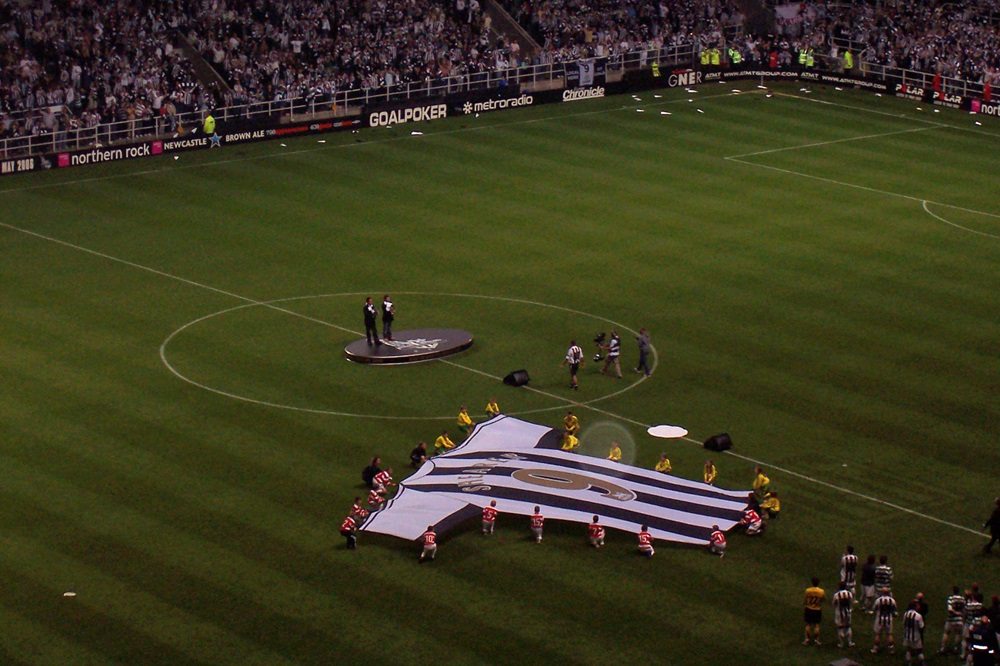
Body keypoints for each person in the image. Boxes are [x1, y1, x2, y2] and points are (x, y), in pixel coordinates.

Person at [940, 585, 967, 655]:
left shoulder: (951, 598)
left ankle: (943, 648)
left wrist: (956, 613)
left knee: (946, 632)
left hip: (951, 619)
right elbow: (964, 610)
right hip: (959, 620)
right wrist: (960, 614)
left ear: (953, 591)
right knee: (958, 633)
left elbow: (950, 609)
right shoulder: (962, 599)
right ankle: (956, 648)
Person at [871, 587, 898, 654]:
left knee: (878, 634)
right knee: (889, 634)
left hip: (879, 619)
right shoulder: (892, 600)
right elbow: (895, 610)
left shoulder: (878, 600)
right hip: (889, 619)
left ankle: (875, 649)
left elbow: (874, 608)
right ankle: (891, 649)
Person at [803, 577, 825, 646]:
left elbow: (805, 599)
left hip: (809, 608)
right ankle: (816, 640)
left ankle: (807, 639)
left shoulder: (808, 590)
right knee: (817, 625)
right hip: (817, 609)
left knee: (808, 625)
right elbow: (823, 599)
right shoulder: (821, 591)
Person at [902, 600, 925, 664]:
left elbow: (904, 624)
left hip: (907, 635)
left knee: (909, 650)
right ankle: (921, 662)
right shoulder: (918, 616)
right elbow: (921, 627)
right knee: (919, 651)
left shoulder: (905, 614)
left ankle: (909, 663)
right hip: (916, 636)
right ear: (915, 606)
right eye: (918, 605)